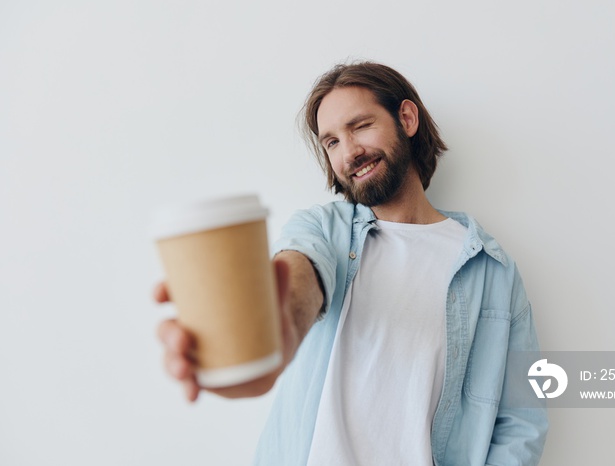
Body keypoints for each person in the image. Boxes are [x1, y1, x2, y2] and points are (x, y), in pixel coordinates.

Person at [155, 61, 548, 465]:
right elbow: (300, 275)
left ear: (407, 118)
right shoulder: (324, 229)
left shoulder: (492, 270)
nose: (349, 153)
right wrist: (281, 327)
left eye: (359, 126)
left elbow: (521, 420)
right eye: (331, 143)